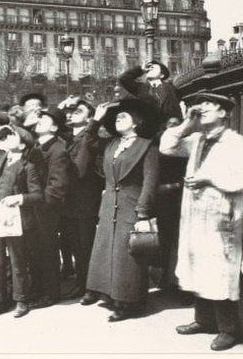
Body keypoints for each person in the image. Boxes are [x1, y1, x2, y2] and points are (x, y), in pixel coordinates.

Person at [160, 91, 243, 352]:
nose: (202, 108)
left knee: (219, 270)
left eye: (209, 105)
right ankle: (203, 320)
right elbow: (166, 146)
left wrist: (210, 180)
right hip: (196, 213)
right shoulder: (197, 139)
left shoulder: (236, 143)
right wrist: (186, 124)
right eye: (199, 105)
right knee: (196, 264)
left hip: (221, 217)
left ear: (224, 112)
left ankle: (229, 329)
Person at [83, 99, 160, 322]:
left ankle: (128, 301)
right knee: (108, 252)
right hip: (108, 206)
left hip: (131, 206)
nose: (118, 119)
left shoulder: (147, 146)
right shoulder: (112, 144)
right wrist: (95, 120)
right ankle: (110, 293)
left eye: (124, 116)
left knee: (127, 256)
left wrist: (143, 211)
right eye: (116, 117)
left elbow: (150, 181)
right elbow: (89, 142)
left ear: (138, 122)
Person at [0, 125, 43, 319]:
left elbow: (38, 195)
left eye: (12, 135)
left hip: (16, 218)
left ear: (23, 145)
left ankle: (21, 299)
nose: (6, 137)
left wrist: (20, 198)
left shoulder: (28, 166)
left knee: (17, 259)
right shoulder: (0, 158)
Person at [59, 97, 103, 300]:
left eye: (79, 111)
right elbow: (52, 121)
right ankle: (82, 282)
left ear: (90, 117)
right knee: (74, 244)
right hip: (68, 201)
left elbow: (81, 168)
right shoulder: (68, 136)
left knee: (85, 245)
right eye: (71, 111)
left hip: (85, 200)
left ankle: (90, 287)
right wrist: (60, 107)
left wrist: (94, 123)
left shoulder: (91, 135)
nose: (72, 113)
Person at [29, 106, 70, 309]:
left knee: (47, 251)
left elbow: (57, 185)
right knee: (35, 250)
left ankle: (50, 293)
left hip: (46, 209)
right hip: (34, 207)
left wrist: (42, 204)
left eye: (44, 119)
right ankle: (37, 289)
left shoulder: (58, 150)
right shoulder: (37, 145)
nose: (39, 121)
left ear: (54, 128)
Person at [119, 60, 182, 125]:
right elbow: (123, 79)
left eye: (153, 68)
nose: (149, 69)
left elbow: (176, 108)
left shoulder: (170, 88)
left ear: (161, 75)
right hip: (148, 129)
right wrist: (141, 70)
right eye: (148, 69)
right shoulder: (140, 88)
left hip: (167, 128)